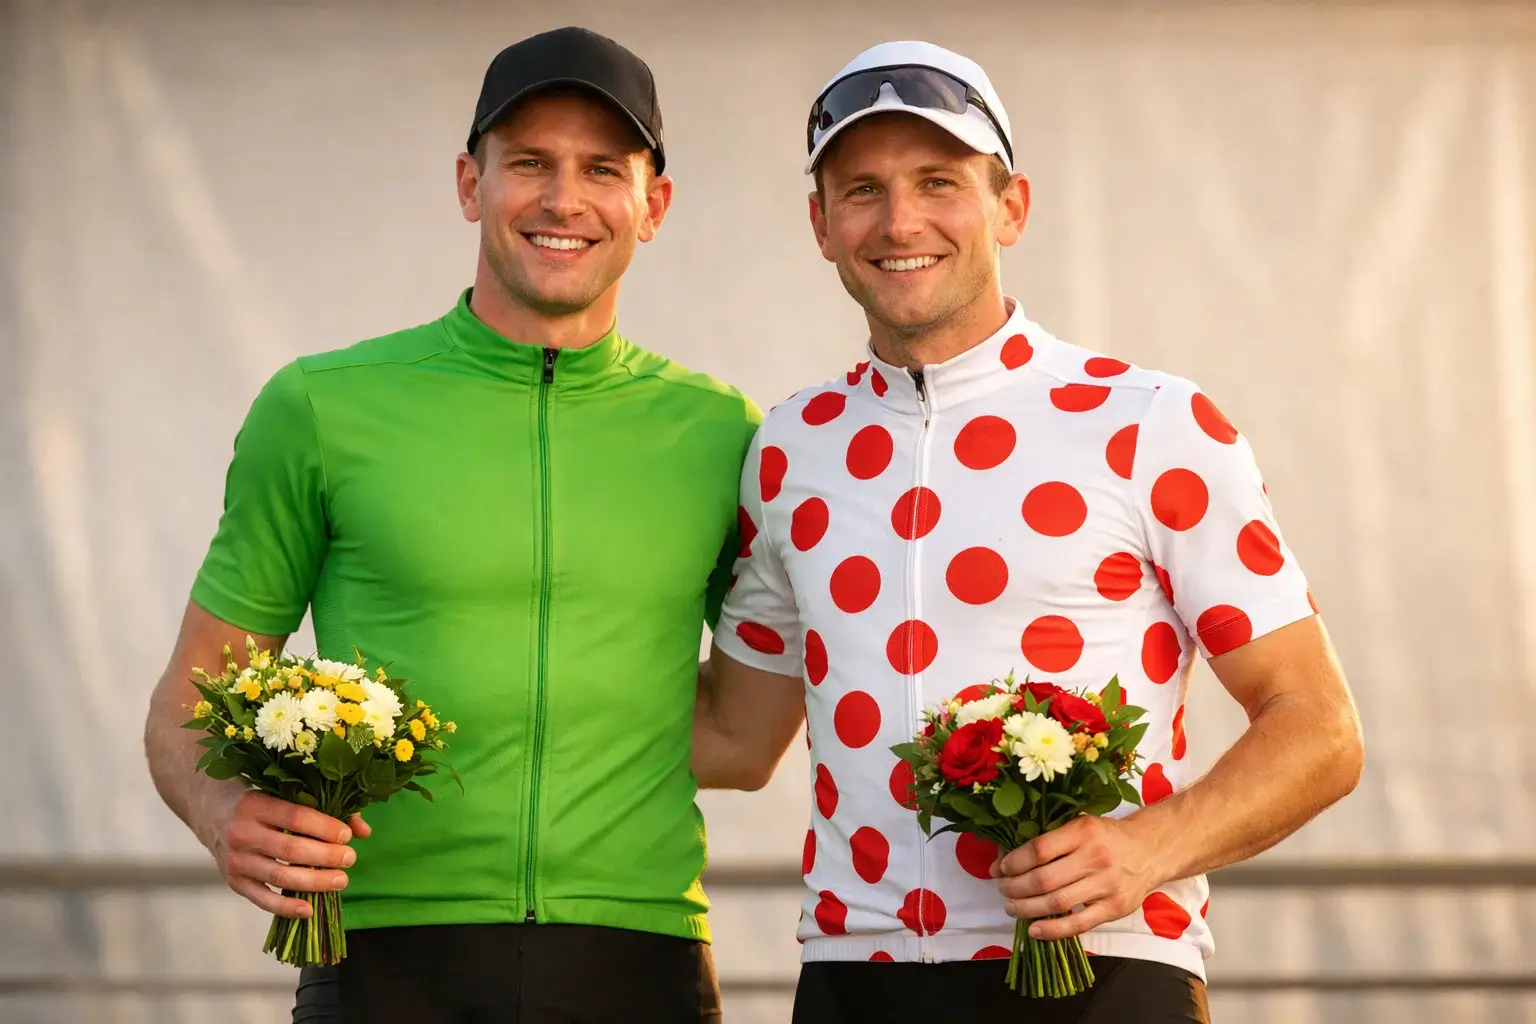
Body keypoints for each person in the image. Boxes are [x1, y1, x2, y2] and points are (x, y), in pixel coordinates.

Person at [692, 39, 1364, 1022]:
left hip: (1104, 968)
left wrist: (1147, 848)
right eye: (863, 189)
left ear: (1012, 206)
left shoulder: (1153, 422)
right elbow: (735, 738)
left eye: (939, 181)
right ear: (820, 225)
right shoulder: (791, 446)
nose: (900, 221)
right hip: (853, 974)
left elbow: (1320, 727)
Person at [143, 26, 757, 1024]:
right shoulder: (321, 407)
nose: (563, 199)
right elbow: (187, 698)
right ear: (471, 184)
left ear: (655, 206)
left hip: (642, 955)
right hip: (384, 958)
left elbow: (752, 726)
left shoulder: (724, 434)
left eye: (603, 168)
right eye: (530, 163)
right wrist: (224, 814)